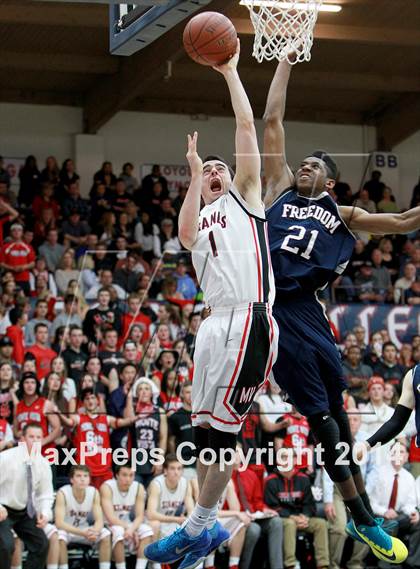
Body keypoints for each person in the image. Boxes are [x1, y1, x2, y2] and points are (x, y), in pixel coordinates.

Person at [262, 52, 420, 562]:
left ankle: (361, 517)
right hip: (277, 312)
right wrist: (284, 63)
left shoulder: (343, 212)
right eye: (301, 162)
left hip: (313, 314)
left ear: (329, 182)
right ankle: (366, 520)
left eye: (313, 166)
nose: (302, 166)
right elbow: (272, 121)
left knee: (340, 422)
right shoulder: (279, 191)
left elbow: (402, 223)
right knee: (323, 423)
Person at [145, 40, 278, 569]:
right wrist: (196, 171)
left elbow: (246, 130)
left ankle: (197, 527)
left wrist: (229, 72)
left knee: (222, 434)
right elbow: (180, 233)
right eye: (212, 172)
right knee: (204, 437)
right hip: (212, 328)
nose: (219, 171)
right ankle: (201, 535)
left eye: (222, 167)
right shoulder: (200, 220)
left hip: (249, 319)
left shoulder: (247, 197)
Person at [0, 423, 54, 569]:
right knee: (6, 545)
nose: (35, 440)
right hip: (3, 509)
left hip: (24, 511)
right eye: (31, 437)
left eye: (39, 437)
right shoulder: (5, 458)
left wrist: (45, 513)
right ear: (22, 439)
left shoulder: (43, 463)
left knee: (41, 544)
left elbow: (46, 493)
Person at [55, 464, 112, 569]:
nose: (82, 479)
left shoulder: (94, 492)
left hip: (85, 530)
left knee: (106, 534)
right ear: (71, 479)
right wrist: (83, 533)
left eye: (85, 476)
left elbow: (99, 520)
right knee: (58, 536)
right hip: (67, 530)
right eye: (78, 476)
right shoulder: (62, 493)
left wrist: (94, 531)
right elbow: (59, 523)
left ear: (89, 479)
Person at [100, 463, 155, 569]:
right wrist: (130, 529)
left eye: (131, 475)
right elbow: (111, 517)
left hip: (128, 524)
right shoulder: (107, 487)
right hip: (109, 524)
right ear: (116, 475)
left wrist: (131, 529)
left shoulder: (138, 487)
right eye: (124, 475)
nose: (128, 479)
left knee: (147, 531)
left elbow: (140, 516)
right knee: (119, 531)